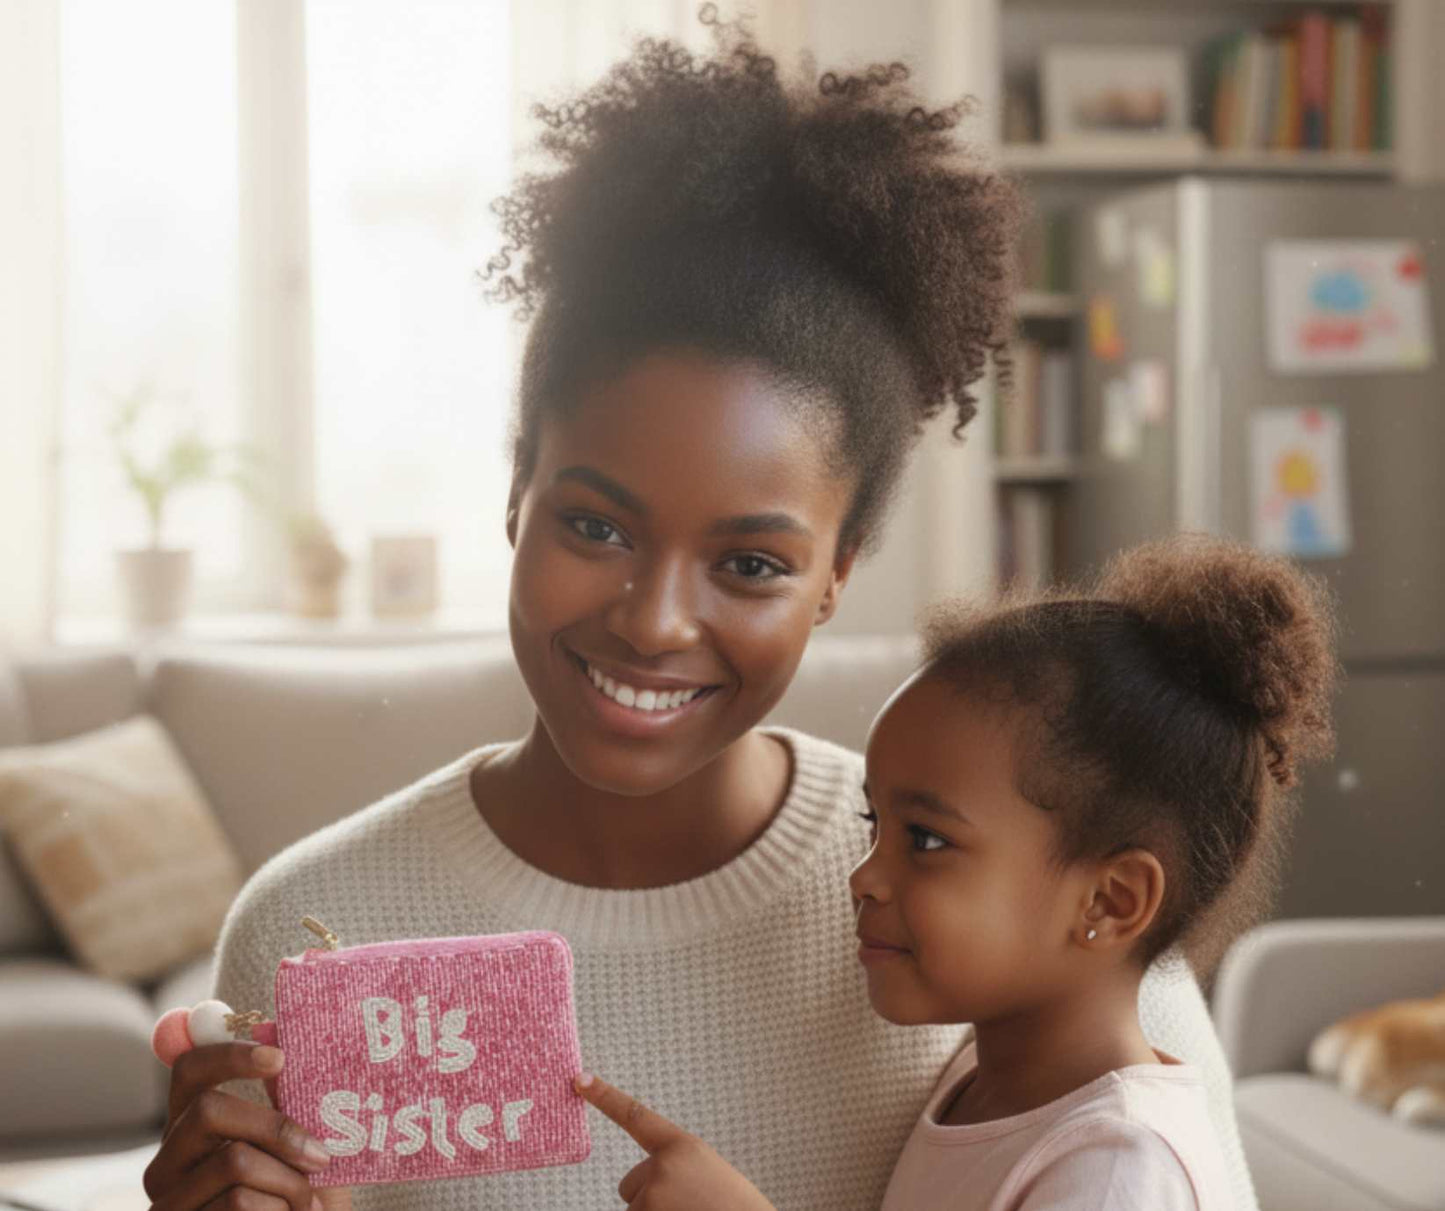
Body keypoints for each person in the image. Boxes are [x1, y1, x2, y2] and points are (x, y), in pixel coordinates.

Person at [140, 10, 1254, 1210]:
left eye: (752, 564)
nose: (654, 621)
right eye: (597, 526)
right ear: (516, 494)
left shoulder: (1018, 902)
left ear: (841, 569)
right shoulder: (320, 928)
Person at [572, 534, 1338, 1210]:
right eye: (875, 826)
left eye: (928, 840)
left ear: (1110, 897)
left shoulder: (1118, 1165)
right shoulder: (979, 1088)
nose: (863, 878)